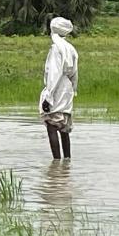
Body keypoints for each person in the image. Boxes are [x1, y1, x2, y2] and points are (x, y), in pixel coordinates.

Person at [39, 17, 78, 160]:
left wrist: (48, 96)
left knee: (52, 125)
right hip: (67, 88)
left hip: (57, 88)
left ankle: (56, 162)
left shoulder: (56, 49)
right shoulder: (70, 48)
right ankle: (67, 161)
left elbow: (54, 75)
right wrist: (73, 89)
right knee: (63, 127)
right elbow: (75, 73)